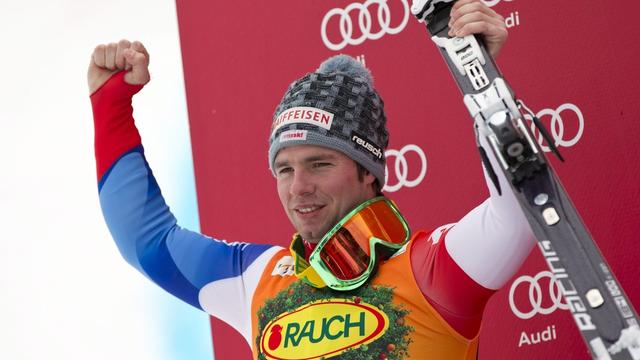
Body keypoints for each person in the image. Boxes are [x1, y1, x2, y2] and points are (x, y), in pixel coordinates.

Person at [89, 0, 534, 358]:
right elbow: (146, 243)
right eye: (285, 168)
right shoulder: (259, 282)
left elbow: (518, 210)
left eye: (320, 164)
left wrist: (483, 80)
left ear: (368, 173)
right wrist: (110, 107)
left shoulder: (431, 272)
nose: (298, 187)